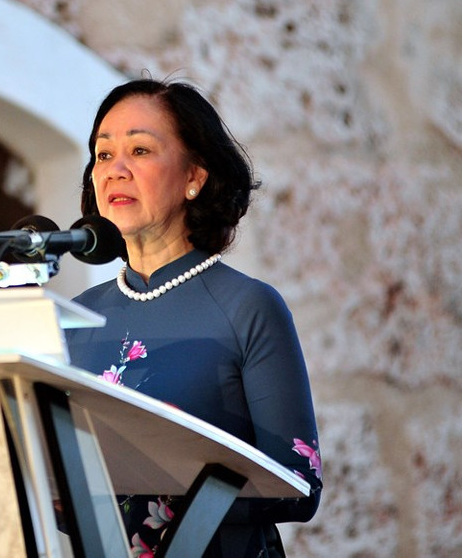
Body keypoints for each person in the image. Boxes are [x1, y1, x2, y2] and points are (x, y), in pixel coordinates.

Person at [65, 77, 322, 557]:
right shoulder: (74, 319)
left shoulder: (248, 307)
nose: (115, 170)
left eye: (140, 151)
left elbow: (298, 484)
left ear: (194, 178)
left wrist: (161, 493)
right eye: (103, 155)